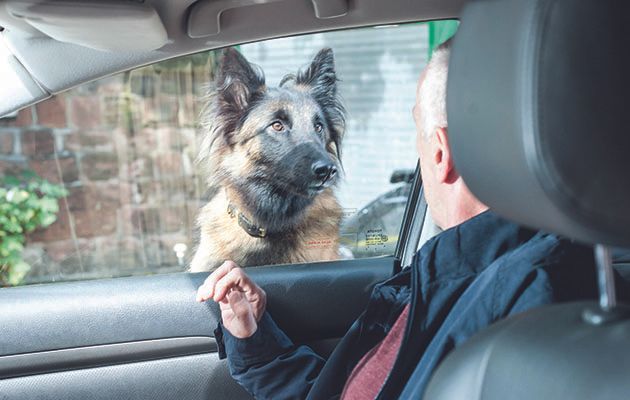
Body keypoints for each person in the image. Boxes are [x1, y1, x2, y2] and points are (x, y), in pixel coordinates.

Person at [196, 39, 598, 399]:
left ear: (440, 153)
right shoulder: (444, 274)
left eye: (416, 134)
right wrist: (254, 336)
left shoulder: (523, 293)